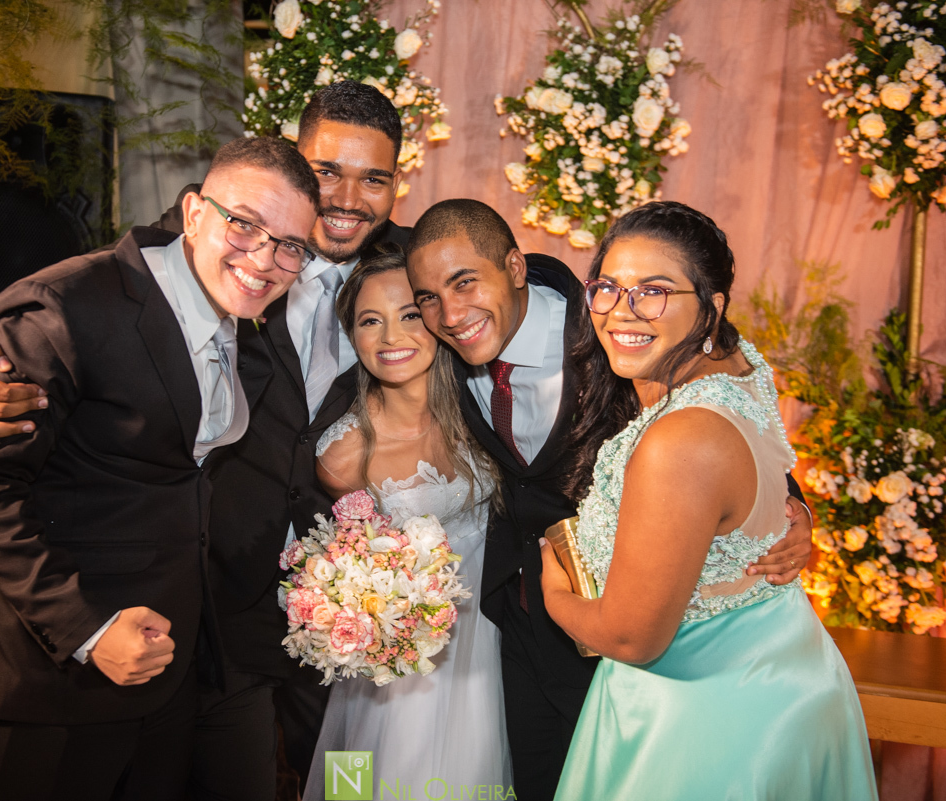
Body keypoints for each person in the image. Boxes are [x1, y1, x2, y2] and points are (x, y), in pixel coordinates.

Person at [0, 81, 412, 799]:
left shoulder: (413, 269)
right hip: (194, 608)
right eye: (326, 171)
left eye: (373, 178)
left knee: (346, 783)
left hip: (340, 611)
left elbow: (499, 291)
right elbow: (73, 298)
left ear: (397, 184)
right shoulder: (223, 236)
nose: (348, 197)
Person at [404, 199, 817, 801]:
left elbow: (722, 419)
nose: (450, 313)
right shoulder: (441, 346)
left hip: (629, 638)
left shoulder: (616, 329)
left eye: (466, 283)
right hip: (516, 624)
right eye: (429, 298)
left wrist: (793, 510)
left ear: (515, 268)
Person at [539, 201, 876, 799]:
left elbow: (632, 639)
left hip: (709, 716)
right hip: (780, 669)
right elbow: (743, 474)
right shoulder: (738, 365)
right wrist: (787, 513)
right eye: (608, 288)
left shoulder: (680, 439)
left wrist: (554, 591)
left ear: (712, 307)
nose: (621, 311)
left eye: (654, 291)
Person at [301, 247, 510, 799]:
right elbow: (352, 571)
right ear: (352, 335)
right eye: (370, 320)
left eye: (410, 314)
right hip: (408, 665)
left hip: (493, 635)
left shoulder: (487, 406)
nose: (391, 336)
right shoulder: (344, 456)